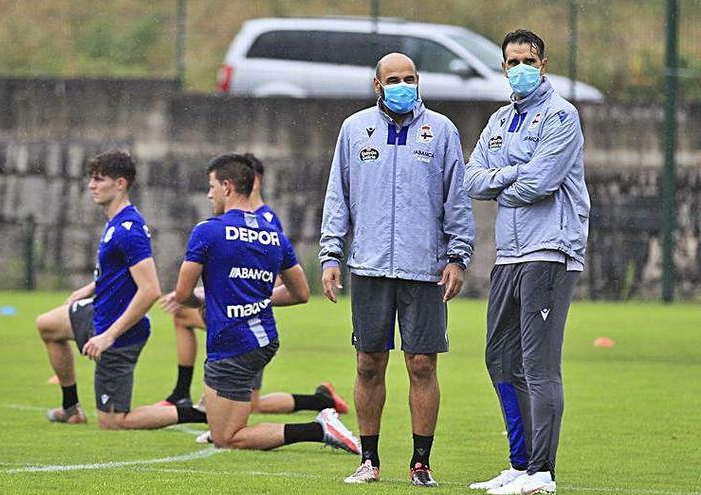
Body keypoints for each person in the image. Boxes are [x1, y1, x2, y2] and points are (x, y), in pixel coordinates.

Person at [320, 53, 475, 485]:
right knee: (369, 363)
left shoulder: (440, 131)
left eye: (409, 78)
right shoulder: (354, 129)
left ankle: (421, 463)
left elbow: (456, 200)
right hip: (368, 265)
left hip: (424, 268)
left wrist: (458, 256)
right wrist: (331, 254)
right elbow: (339, 195)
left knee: (422, 363)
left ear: (419, 81)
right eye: (393, 79)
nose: (402, 85)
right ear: (377, 85)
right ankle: (369, 461)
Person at [463, 29, 590, 495]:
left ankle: (543, 471)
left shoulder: (562, 115)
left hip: (550, 251)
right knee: (499, 358)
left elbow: (541, 182)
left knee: (538, 364)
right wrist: (511, 179)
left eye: (528, 60)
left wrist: (503, 182)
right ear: (503, 67)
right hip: (509, 254)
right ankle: (519, 464)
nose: (520, 68)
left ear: (543, 63)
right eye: (512, 61)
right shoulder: (498, 120)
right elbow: (471, 179)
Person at [173, 153, 360, 453]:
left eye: (211, 186)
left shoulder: (207, 231)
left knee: (227, 438)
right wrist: (254, 300)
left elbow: (182, 296)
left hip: (231, 341)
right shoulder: (274, 234)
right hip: (264, 340)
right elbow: (300, 292)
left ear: (227, 186)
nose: (209, 194)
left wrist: (204, 299)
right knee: (227, 428)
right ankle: (318, 418)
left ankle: (319, 428)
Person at [36, 150, 207, 430]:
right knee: (47, 326)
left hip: (119, 333)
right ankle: (71, 409)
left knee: (114, 421)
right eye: (91, 179)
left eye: (99, 179)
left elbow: (150, 290)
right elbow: (120, 270)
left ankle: (199, 413)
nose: (92, 185)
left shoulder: (129, 230)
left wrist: (108, 337)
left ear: (120, 184)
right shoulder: (115, 221)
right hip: (99, 312)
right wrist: (91, 288)